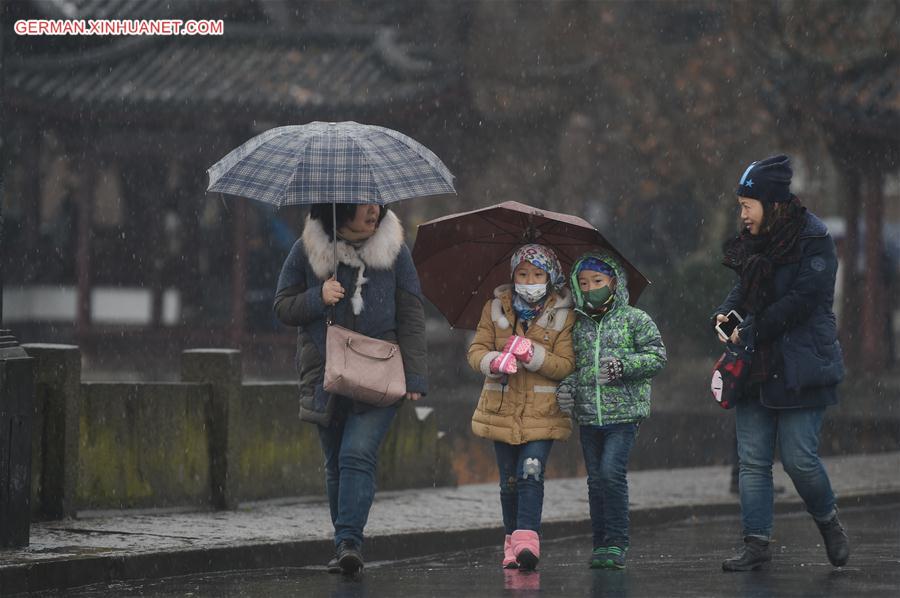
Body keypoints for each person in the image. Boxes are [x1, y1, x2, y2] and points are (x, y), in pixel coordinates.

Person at [273, 203, 427, 575]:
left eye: (376, 201)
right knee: (335, 464)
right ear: (337, 209)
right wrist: (318, 297)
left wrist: (416, 378)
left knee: (357, 454)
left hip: (380, 372)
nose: (373, 209)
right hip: (325, 373)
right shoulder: (306, 250)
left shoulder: (395, 251)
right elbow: (282, 306)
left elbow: (411, 312)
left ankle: (349, 542)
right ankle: (344, 541)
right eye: (362, 203)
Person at [714, 154, 849, 571]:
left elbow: (802, 301)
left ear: (770, 203)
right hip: (755, 365)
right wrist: (724, 314)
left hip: (801, 366)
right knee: (752, 460)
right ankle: (756, 544)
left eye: (746, 206)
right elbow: (744, 288)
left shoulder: (814, 239)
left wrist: (752, 329)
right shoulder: (756, 240)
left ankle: (828, 521)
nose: (742, 215)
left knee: (798, 459)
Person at [467, 244, 576, 571]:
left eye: (538, 274)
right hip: (501, 409)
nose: (530, 280)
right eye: (523, 273)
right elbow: (475, 351)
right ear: (513, 275)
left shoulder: (564, 314)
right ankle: (512, 540)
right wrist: (494, 361)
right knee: (508, 481)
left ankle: (528, 538)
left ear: (550, 276)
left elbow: (567, 365)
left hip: (543, 413)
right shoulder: (495, 309)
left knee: (531, 471)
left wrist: (534, 356)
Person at [556, 252, 667, 570]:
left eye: (598, 281)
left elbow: (656, 357)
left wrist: (623, 366)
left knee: (611, 474)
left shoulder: (635, 318)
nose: (591, 288)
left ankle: (617, 542)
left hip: (624, 416)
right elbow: (577, 369)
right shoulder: (577, 326)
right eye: (584, 283)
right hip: (589, 417)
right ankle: (600, 542)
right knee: (595, 480)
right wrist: (569, 387)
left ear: (614, 283)